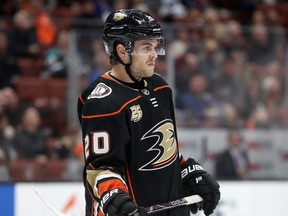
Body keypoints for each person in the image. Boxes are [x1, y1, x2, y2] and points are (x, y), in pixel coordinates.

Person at [77, 9, 220, 216]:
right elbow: (99, 169)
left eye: (155, 46)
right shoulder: (102, 102)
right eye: (146, 47)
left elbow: (162, 148)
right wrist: (116, 199)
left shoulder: (160, 87)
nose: (154, 54)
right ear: (122, 51)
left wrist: (188, 172)